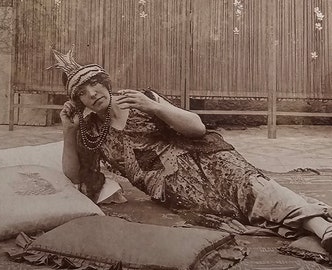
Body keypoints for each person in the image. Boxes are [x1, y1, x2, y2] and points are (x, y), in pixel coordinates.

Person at [50, 47, 332, 253]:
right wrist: (68, 130)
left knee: (252, 186)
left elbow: (196, 128)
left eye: (94, 84)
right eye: (83, 94)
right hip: (175, 187)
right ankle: (317, 225)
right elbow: (74, 175)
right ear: (79, 102)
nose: (92, 94)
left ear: (104, 81)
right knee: (242, 210)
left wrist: (155, 106)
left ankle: (323, 229)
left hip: (205, 158)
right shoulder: (92, 132)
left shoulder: (139, 99)